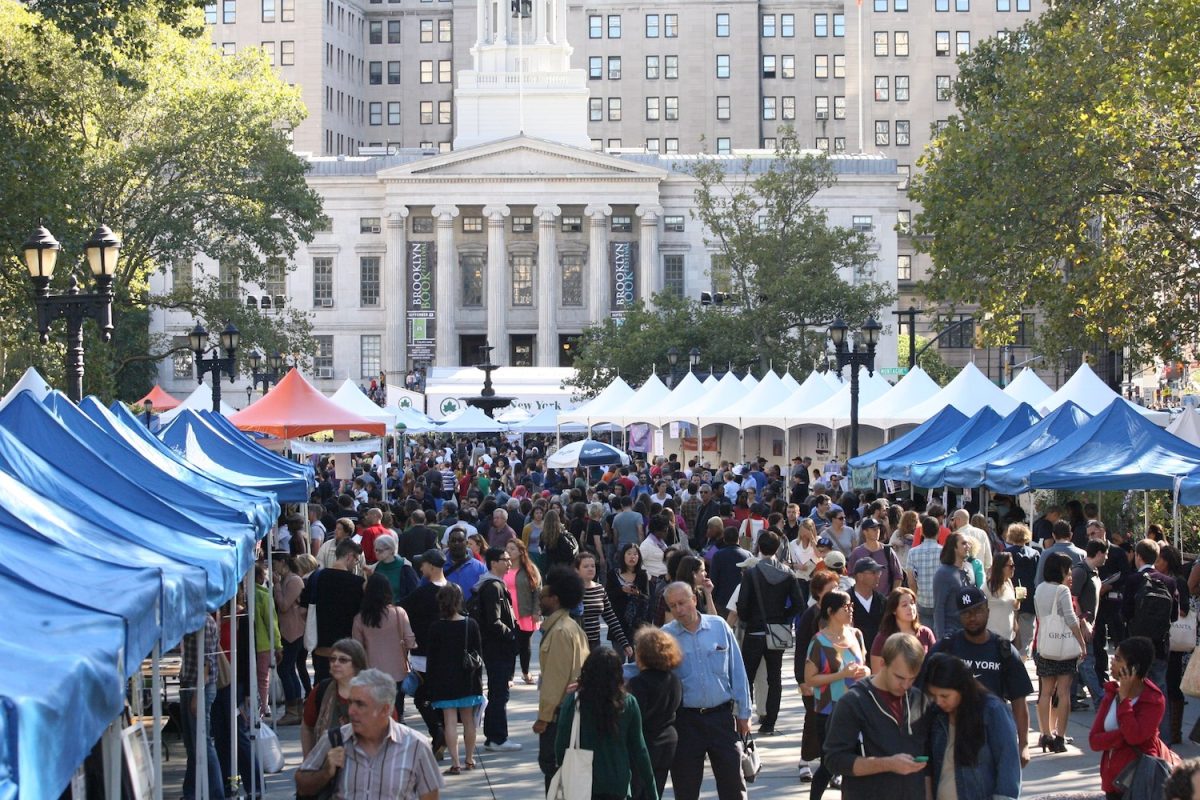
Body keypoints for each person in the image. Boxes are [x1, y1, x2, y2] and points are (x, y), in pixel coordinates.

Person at [662, 581, 752, 800]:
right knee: (686, 786)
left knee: (733, 784)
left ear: (694, 599)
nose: (679, 610)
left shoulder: (719, 626)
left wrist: (744, 713)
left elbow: (737, 671)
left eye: (682, 603)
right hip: (686, 722)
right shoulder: (666, 636)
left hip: (721, 718)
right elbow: (642, 668)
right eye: (673, 606)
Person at [296, 668, 444, 800]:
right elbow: (302, 785)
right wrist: (325, 773)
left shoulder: (416, 745)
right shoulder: (334, 739)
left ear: (385, 709)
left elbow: (430, 795)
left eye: (360, 704)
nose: (351, 711)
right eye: (350, 703)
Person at [928, 585, 1033, 767]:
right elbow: (922, 691)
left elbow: (1019, 700)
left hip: (992, 736)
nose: (972, 617)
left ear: (987, 610)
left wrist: (1023, 744)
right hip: (950, 737)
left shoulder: (1004, 650)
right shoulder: (946, 648)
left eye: (977, 610)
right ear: (959, 616)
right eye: (966, 613)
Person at [821, 633, 931, 800]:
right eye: (899, 677)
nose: (906, 685)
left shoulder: (919, 699)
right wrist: (887, 764)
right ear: (882, 664)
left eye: (912, 679)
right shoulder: (853, 703)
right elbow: (834, 759)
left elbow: (929, 762)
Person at [554, 648, 659, 800]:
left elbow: (561, 743)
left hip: (582, 781)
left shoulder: (574, 702)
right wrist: (651, 789)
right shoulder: (628, 703)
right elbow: (639, 749)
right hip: (617, 781)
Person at [924, 653, 1021, 800]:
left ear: (962, 688)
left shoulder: (992, 710)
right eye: (934, 696)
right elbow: (929, 764)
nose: (938, 702)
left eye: (945, 696)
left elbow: (1008, 762)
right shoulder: (936, 714)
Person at [735, 530, 804, 736]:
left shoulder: (751, 573)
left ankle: (744, 720)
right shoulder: (788, 573)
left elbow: (743, 605)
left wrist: (747, 619)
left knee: (747, 677)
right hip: (778, 629)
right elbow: (799, 604)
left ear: (758, 547)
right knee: (775, 678)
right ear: (779, 548)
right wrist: (783, 617)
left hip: (755, 630)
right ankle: (770, 723)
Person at [1089, 636, 1174, 800]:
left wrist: (1125, 700)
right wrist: (1122, 737)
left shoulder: (1154, 700)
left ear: (1133, 668)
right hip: (1112, 782)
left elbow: (1134, 737)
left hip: (1141, 779)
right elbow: (1094, 741)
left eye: (1118, 659)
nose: (1112, 662)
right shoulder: (1111, 693)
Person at [804, 589, 870, 800]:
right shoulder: (819, 641)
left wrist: (865, 672)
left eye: (851, 606)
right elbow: (810, 679)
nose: (851, 610)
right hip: (829, 709)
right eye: (846, 607)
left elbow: (866, 667)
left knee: (856, 761)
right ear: (831, 612)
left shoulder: (856, 635)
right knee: (829, 763)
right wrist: (841, 674)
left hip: (856, 708)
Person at [1120, 537, 1182, 741]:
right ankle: (1163, 740)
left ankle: (1139, 736)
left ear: (1137, 556)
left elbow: (1125, 612)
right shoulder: (1169, 581)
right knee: (1160, 691)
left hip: (1136, 646)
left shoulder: (1133, 580)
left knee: (1135, 690)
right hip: (1160, 646)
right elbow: (1173, 616)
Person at [535, 566, 590, 790]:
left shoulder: (559, 632)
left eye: (544, 595)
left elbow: (555, 683)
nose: (540, 598)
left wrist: (544, 718)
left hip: (559, 719)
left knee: (555, 773)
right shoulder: (571, 627)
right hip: (570, 713)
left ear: (555, 599)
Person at [424, 583, 483, 775]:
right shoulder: (470, 624)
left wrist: (430, 685)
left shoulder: (436, 627)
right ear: (459, 601)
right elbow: (479, 655)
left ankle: (455, 762)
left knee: (449, 721)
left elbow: (431, 660)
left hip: (444, 679)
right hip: (467, 678)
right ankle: (470, 758)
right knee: (468, 721)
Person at [1034, 552, 1087, 753]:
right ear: (1062, 570)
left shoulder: (1039, 589)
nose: (1070, 573)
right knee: (1063, 692)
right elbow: (1071, 619)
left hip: (1045, 645)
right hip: (1064, 646)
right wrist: (1081, 642)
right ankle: (1060, 737)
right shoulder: (1062, 590)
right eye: (1068, 569)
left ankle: (1045, 733)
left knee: (1045, 692)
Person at [400, 549, 448, 758]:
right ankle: (441, 734)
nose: (420, 568)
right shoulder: (453, 590)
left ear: (432, 566)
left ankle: (438, 733)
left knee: (422, 697)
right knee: (438, 696)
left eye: (423, 564)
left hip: (423, 654)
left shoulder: (423, 592)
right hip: (447, 654)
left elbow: (400, 608)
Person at [473, 546, 521, 752]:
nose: (509, 562)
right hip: (497, 649)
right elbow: (494, 621)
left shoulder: (493, 584)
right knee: (499, 692)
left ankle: (494, 736)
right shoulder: (492, 587)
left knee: (499, 691)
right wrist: (511, 635)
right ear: (493, 563)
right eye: (505, 559)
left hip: (497, 648)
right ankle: (497, 737)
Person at [627, 628, 684, 800]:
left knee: (637, 792)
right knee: (655, 791)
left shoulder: (638, 683)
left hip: (644, 744)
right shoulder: (674, 680)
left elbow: (634, 717)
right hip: (667, 741)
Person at [352, 573, 417, 716]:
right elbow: (410, 641)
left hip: (372, 672)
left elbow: (357, 648)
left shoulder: (360, 618)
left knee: (375, 710)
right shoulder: (399, 613)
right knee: (396, 709)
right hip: (398, 670)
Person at [179, 613, 225, 800]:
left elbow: (205, 662)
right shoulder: (195, 619)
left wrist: (198, 694)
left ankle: (216, 793)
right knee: (193, 744)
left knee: (202, 742)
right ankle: (190, 791)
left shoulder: (204, 621)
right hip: (190, 685)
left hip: (199, 688)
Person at [300, 638, 368, 756]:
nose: (336, 663)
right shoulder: (321, 690)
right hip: (327, 768)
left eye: (343, 660)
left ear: (357, 664)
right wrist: (309, 761)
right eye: (333, 659)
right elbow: (307, 726)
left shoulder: (374, 692)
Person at [272, 551, 308, 725]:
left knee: (286, 669)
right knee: (287, 669)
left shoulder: (293, 580)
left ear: (283, 562)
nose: (273, 568)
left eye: (275, 563)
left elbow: (284, 605)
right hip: (287, 630)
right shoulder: (288, 579)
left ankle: (293, 710)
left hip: (294, 632)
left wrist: (277, 585)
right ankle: (294, 708)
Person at [576, 551, 633, 657]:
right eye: (585, 566)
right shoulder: (572, 590)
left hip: (595, 643)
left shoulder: (599, 589)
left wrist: (624, 643)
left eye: (593, 566)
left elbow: (611, 618)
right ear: (577, 570)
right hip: (575, 642)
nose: (590, 569)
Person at [868, 587, 936, 675]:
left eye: (912, 603)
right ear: (894, 610)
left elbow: (935, 664)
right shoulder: (883, 638)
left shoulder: (925, 633)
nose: (910, 608)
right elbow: (876, 674)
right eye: (904, 605)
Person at [505, 538, 541, 685]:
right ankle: (509, 676)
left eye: (512, 549)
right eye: (507, 548)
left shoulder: (529, 569)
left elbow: (537, 591)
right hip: (508, 612)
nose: (509, 552)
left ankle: (526, 672)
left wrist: (536, 611)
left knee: (524, 645)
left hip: (525, 612)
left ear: (520, 552)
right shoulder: (503, 568)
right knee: (510, 644)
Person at [607, 542, 652, 646]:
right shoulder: (613, 574)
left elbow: (647, 597)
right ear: (623, 556)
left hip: (636, 623)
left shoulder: (642, 575)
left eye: (635, 554)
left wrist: (637, 593)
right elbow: (608, 595)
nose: (632, 557)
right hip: (617, 621)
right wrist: (622, 589)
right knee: (619, 658)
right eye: (629, 553)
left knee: (635, 659)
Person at [932, 532, 971, 639]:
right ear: (954, 548)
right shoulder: (943, 573)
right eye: (963, 543)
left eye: (968, 543)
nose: (968, 546)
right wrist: (941, 638)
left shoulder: (968, 569)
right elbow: (939, 607)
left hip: (968, 633)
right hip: (951, 633)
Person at [906, 515, 944, 623]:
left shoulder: (912, 552)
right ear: (938, 532)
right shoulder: (944, 552)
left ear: (921, 532)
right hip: (940, 602)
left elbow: (911, 581)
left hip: (922, 601)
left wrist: (915, 598)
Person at [848, 518, 902, 593]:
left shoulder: (888, 551)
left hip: (885, 599)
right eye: (874, 529)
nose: (877, 531)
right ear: (865, 532)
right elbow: (851, 577)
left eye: (878, 529)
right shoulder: (857, 553)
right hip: (864, 599)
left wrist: (892, 596)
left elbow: (898, 576)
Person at [848, 558, 887, 663]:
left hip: (880, 658)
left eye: (879, 572)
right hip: (853, 659)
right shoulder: (846, 600)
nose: (878, 576)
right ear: (860, 576)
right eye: (874, 572)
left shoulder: (882, 601)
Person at [1034, 519, 1087, 585]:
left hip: (1052, 594)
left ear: (1053, 535)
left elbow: (1039, 581)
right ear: (1071, 535)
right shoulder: (1082, 554)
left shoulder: (1045, 554)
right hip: (1075, 594)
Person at [371, 533, 420, 603]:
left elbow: (415, 593)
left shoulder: (405, 567)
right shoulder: (374, 568)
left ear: (391, 550)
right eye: (376, 550)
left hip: (400, 610)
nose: (377, 553)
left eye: (380, 551)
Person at [984, 551, 1019, 648]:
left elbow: (1013, 606)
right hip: (992, 637)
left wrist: (1019, 599)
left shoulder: (1008, 582)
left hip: (1009, 636)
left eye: (1014, 565)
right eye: (1011, 566)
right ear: (1001, 567)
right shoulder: (988, 586)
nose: (1013, 568)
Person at [443, 527, 487, 601]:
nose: (457, 543)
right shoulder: (438, 566)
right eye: (453, 541)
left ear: (466, 543)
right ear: (448, 543)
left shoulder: (480, 568)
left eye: (460, 540)